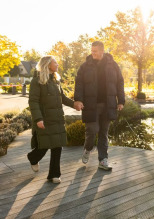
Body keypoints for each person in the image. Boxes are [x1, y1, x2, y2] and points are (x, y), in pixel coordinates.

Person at [74, 41, 125, 170]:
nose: (92, 53)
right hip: (91, 105)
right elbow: (79, 84)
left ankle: (103, 160)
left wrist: (121, 101)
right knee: (92, 130)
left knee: (103, 133)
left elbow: (120, 83)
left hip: (108, 105)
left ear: (102, 51)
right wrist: (78, 100)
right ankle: (88, 148)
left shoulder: (113, 65)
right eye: (92, 50)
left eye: (95, 51)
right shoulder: (85, 67)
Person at [27, 55, 78, 183]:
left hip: (57, 119)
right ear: (48, 64)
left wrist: (74, 104)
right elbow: (33, 102)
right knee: (43, 146)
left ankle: (54, 174)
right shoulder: (36, 81)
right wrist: (38, 118)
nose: (57, 64)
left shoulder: (56, 80)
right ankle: (33, 158)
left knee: (57, 146)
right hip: (44, 119)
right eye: (55, 62)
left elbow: (63, 98)